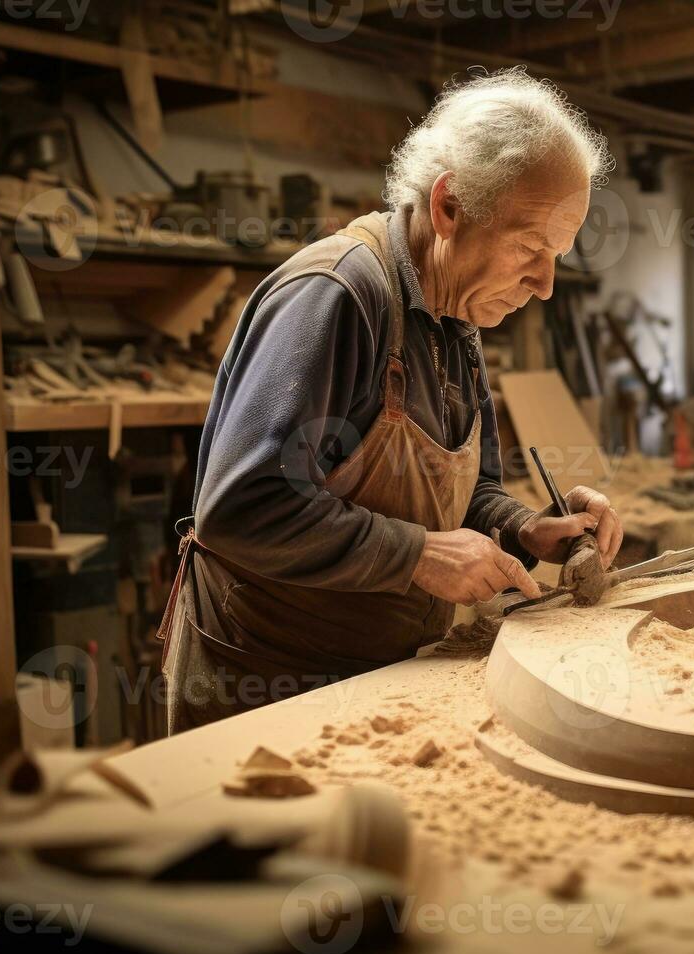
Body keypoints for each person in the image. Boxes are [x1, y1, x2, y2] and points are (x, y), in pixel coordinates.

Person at [159, 69, 623, 732]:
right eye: (529, 247)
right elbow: (240, 508)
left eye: (557, 255)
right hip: (265, 685)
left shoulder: (455, 316)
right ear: (448, 208)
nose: (546, 285)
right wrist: (419, 555)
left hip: (377, 673)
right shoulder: (337, 296)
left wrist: (526, 528)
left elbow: (468, 495)